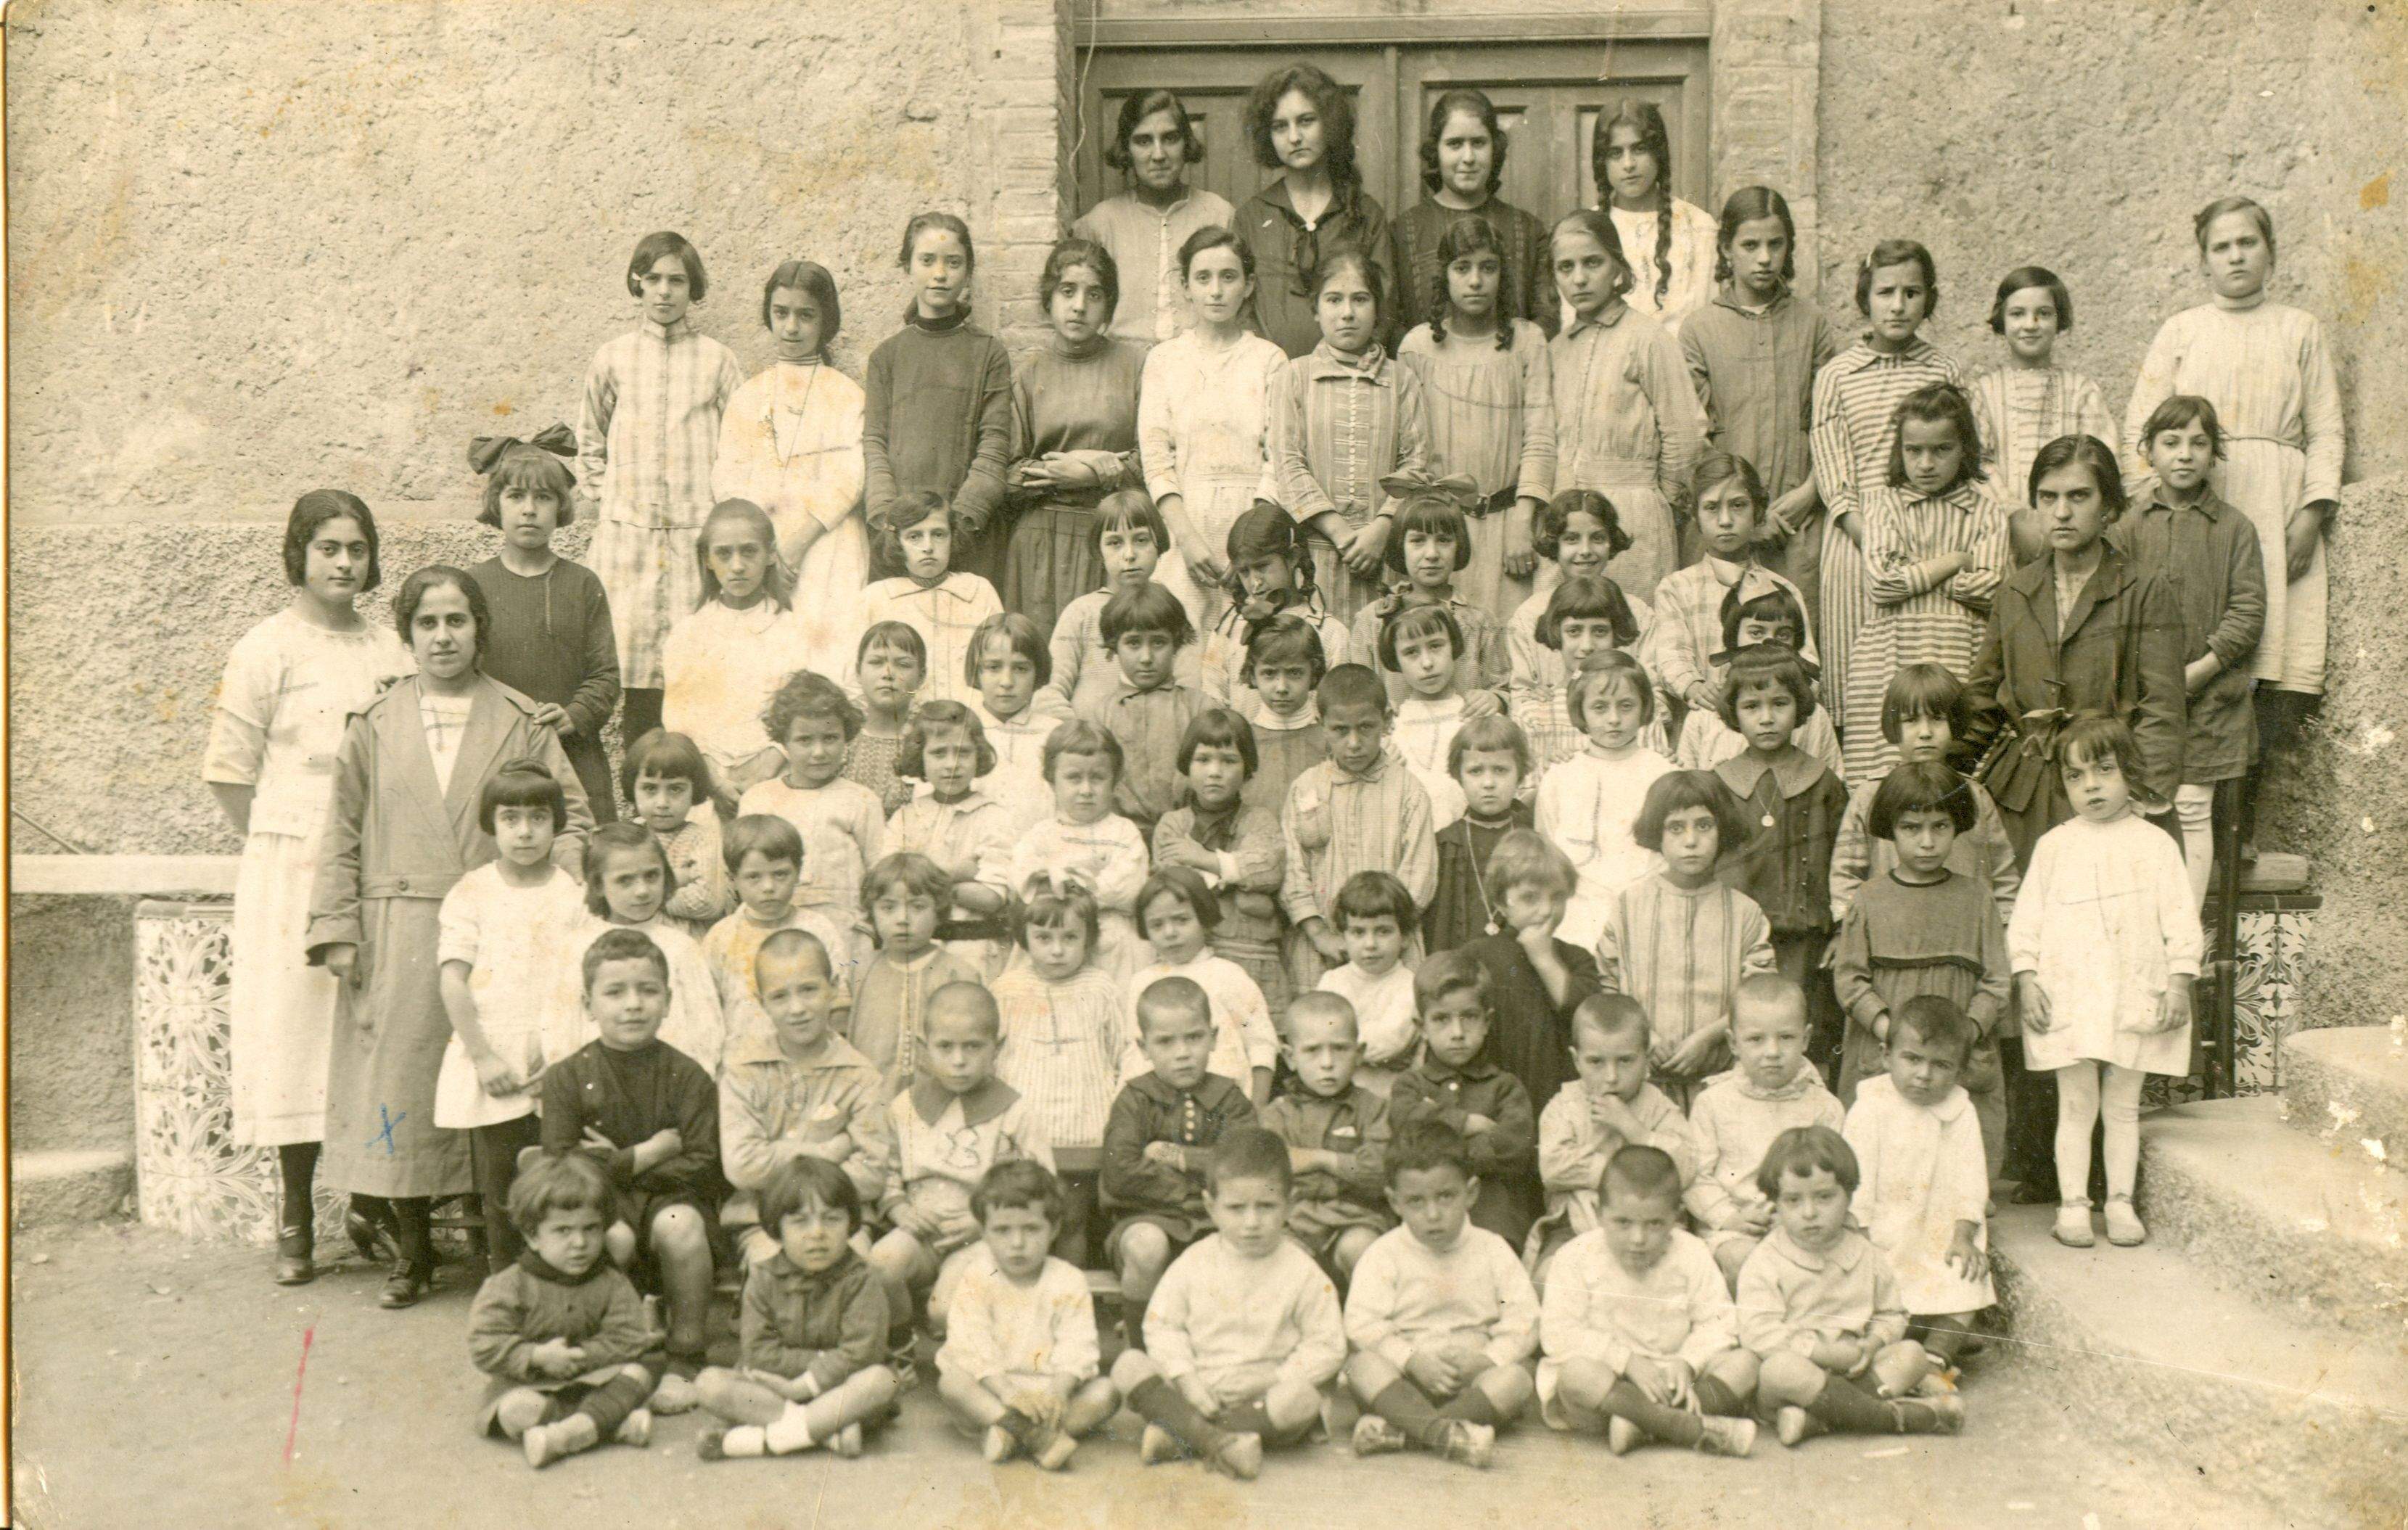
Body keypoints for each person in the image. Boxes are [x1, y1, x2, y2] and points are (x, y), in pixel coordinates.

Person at [305, 564, 593, 1308]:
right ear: (406, 634)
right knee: (404, 1085)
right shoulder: (375, 721)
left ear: (479, 631)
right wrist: (338, 926)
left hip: (506, 927)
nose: (443, 637)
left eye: (457, 621)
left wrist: (565, 902)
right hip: (399, 925)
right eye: (427, 623)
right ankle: (413, 1250)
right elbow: (340, 829)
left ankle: (503, 1245)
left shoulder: (520, 717)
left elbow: (572, 820)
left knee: (502, 1082)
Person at [205, 490, 414, 1285]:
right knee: (295, 1035)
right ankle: (295, 1215)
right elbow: (229, 774)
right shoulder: (266, 648)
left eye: (357, 548)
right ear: (300, 554)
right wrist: (286, 844)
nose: (344, 563)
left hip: (374, 863)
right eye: (328, 548)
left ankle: (372, 1202)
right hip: (292, 866)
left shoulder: (391, 648)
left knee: (369, 1032)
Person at [2125, 197, 2343, 852]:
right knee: (2204, 649)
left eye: (2248, 242)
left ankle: (2241, 819)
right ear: (2203, 261)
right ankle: (2189, 813)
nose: (2236, 256)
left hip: (2279, 502)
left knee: (2279, 655)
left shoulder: (2299, 328)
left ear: (2269, 251)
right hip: (2204, 501)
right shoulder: (2182, 330)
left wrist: (2311, 512)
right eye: (2221, 247)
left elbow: (2326, 429)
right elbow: (2142, 429)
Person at [2008, 717, 2201, 1248]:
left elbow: (2180, 920)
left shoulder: (2155, 845)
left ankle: (2119, 1201)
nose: (2090, 786)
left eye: (2104, 770)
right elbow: (2026, 921)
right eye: (2075, 776)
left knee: (2121, 1106)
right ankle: (2073, 1204)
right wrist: (2027, 979)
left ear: (2128, 772)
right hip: (2071, 992)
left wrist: (2179, 983)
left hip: (2131, 990)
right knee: (2075, 1104)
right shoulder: (2054, 846)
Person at [1966, 433, 2186, 863]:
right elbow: (1983, 699)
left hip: (2112, 794)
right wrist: (1940, 774)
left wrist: (2140, 801)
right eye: (2048, 497)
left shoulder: (2145, 590)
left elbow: (2163, 711)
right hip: (2026, 800)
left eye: (2079, 496)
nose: (2062, 512)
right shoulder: (2015, 592)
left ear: (2109, 508)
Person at [577, 230, 745, 744]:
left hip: (694, 538)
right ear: (638, 283)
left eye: (678, 280)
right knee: (633, 675)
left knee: (693, 669)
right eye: (653, 279)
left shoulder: (718, 360)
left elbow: (740, 446)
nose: (665, 291)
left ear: (694, 288)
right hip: (628, 541)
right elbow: (589, 441)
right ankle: (638, 775)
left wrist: (719, 518)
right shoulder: (613, 357)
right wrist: (615, 504)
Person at [538, 926, 723, 1391]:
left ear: (668, 1000)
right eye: (615, 992)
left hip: (672, 1199)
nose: (634, 1004)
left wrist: (608, 1162)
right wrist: (647, 1153)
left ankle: (686, 1351)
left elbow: (705, 1162)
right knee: (610, 1236)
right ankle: (594, 1350)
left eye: (648, 991)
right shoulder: (566, 1077)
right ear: (588, 1004)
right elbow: (561, 1164)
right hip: (596, 1203)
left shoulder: (690, 1076)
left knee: (681, 1225)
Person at [1108, 1127, 1348, 1480]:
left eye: (1266, 1207)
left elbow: (1327, 1345)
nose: (1252, 1222)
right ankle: (1218, 1440)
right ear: (1211, 1207)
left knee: (1302, 1399)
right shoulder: (1194, 1263)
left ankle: (1186, 1437)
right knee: (1129, 1365)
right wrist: (1189, 1381)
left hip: (1265, 1397)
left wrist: (1274, 1378)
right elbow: (1163, 1327)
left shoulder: (1303, 1271)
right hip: (1199, 1392)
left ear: (1290, 1204)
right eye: (1236, 1208)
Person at [435, 762, 588, 1273]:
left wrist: (562, 1056)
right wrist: (483, 1057)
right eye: (511, 818)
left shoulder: (572, 893)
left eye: (538, 818)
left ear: (556, 822)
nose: (525, 832)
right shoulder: (472, 891)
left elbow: (580, 985)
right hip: (496, 1059)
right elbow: (452, 980)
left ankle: (561, 1288)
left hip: (558, 1059)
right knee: (504, 1188)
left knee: (561, 1182)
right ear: (491, 824)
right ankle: (508, 1289)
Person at [2117, 395, 2267, 912]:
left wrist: (2201, 670)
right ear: (2149, 452)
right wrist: (2148, 679)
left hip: (2211, 699)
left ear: (2213, 453)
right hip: (2145, 699)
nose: (2185, 454)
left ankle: (2185, 928)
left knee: (2193, 807)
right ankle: (2143, 924)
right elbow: (2113, 605)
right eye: (2171, 442)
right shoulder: (2128, 527)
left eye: (2198, 443)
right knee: (2141, 807)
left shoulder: (2234, 528)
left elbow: (2248, 612)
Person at [1812, 239, 1963, 738]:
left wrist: (1926, 546)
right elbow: (1833, 473)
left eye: (1911, 293)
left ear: (1928, 299)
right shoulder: (1836, 375)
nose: (1898, 306)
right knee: (1862, 675)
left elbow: (1963, 457)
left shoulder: (1943, 370)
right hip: (1857, 541)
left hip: (1930, 537)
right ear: (1865, 297)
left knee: (1925, 675)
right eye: (1885, 293)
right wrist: (1873, 539)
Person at [1830, 764, 2012, 1171]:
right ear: (1890, 830)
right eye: (1911, 828)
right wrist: (1890, 1033)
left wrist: (1965, 1034)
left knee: (1958, 1156)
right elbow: (1850, 980)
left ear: (1957, 827)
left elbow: (1997, 981)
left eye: (1940, 827)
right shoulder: (1868, 898)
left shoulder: (1976, 898)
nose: (1927, 842)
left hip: (1959, 1050)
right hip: (1886, 1047)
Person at [1739, 1126, 1965, 1445]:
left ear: (1848, 1195)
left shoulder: (1866, 1254)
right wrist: (1821, 1353)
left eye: (1824, 1197)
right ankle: (1898, 1418)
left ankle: (1817, 1421)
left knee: (1912, 1355)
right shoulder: (1766, 1260)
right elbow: (1758, 1332)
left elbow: (1891, 1313)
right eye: (1793, 1200)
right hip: (1798, 1375)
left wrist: (1873, 1343)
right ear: (1776, 1202)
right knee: (1779, 1370)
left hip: (1856, 1371)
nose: (1809, 1212)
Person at [869, 982, 1054, 1365]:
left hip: (980, 1238)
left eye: (973, 1047)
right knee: (882, 1263)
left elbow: (1041, 1186)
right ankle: (901, 1345)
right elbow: (887, 1172)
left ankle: (964, 1361)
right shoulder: (905, 1107)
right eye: (945, 1047)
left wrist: (986, 1220)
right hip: (921, 1233)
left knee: (943, 1309)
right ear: (925, 1048)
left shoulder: (1016, 1112)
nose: (958, 1060)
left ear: (997, 1048)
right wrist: (899, 1209)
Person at [1680, 189, 1840, 630]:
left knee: (1794, 639)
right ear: (1726, 249)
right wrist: (1743, 515)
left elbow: (1833, 424)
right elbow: (1694, 437)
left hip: (1798, 522)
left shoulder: (1811, 324)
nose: (1765, 258)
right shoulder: (1699, 330)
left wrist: (1810, 492)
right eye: (1750, 245)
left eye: (1776, 244)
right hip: (1725, 524)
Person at [1841, 384, 2011, 789]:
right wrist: (1952, 562)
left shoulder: (1986, 512)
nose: (1926, 463)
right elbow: (1883, 584)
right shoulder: (1884, 506)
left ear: (1965, 449)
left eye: (1942, 450)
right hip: (1891, 651)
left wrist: (1913, 574)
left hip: (1959, 648)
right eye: (1913, 450)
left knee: (1954, 756)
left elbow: (1990, 589)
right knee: (1888, 762)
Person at [1341, 1119, 1540, 1468]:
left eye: (1446, 1197)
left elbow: (1523, 1318)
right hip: (1404, 1383)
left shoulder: (1492, 1250)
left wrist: (1489, 1359)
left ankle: (1402, 1433)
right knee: (1362, 1366)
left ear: (1471, 1193)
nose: (1433, 1215)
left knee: (1518, 1379)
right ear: (1395, 1202)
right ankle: (1447, 1435)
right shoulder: (1384, 1253)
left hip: (1473, 1382)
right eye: (1416, 1201)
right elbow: (1363, 1323)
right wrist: (1411, 1359)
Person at [1536, 1145, 1757, 1457]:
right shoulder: (1575, 1256)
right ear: (1598, 1212)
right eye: (1623, 1222)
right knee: (1576, 1374)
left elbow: (1718, 1322)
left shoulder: (1692, 1253)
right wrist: (1625, 1361)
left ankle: (1642, 1425)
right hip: (1610, 1388)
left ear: (1676, 1217)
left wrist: (1688, 1362)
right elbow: (1559, 1334)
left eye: (1654, 1224)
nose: (1638, 1239)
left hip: (1674, 1381)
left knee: (1746, 1363)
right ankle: (1686, 1428)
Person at [711, 258, 869, 673]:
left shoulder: (847, 394)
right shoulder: (748, 396)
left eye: (806, 315)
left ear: (825, 320)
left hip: (828, 544)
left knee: (828, 659)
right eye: (781, 313)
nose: (792, 327)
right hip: (761, 550)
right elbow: (728, 478)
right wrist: (762, 546)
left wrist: (797, 543)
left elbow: (849, 477)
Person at [1396, 213, 1557, 613]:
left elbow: (1540, 437)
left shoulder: (1528, 342)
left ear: (1503, 275)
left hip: (1508, 527)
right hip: (1439, 533)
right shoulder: (1417, 348)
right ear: (1444, 276)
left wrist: (1523, 523)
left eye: (1488, 268)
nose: (1475, 281)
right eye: (1462, 268)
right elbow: (1408, 450)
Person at [693, 1156, 899, 1460]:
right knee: (709, 1384)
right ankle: (824, 1433)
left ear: (851, 1224)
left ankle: (767, 1439)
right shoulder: (762, 1277)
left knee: (881, 1380)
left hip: (840, 1389)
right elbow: (759, 1353)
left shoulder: (862, 1278)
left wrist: (804, 1387)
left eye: (832, 1219)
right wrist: (818, 1365)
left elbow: (862, 1353)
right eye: (800, 1221)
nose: (817, 1233)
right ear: (777, 1228)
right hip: (774, 1388)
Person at [1548, 209, 1706, 606]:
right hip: (1568, 520)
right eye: (1566, 267)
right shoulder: (1556, 350)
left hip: (1634, 517)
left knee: (1632, 621)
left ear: (1618, 267)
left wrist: (1660, 504)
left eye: (1593, 263)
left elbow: (1684, 435)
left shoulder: (1648, 338)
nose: (1579, 278)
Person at [1139, 234, 1293, 640]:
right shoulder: (1164, 360)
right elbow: (1156, 459)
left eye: (1229, 277)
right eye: (1203, 278)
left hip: (1252, 527)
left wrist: (1251, 547)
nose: (1216, 291)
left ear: (1249, 284)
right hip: (1187, 526)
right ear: (1185, 286)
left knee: (1252, 644)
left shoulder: (1269, 359)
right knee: (1186, 647)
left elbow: (1278, 457)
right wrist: (1188, 541)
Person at [1269, 245, 1434, 622]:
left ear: (1377, 308)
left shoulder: (1402, 379)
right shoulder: (1294, 377)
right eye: (1334, 300)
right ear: (1315, 308)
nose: (1347, 312)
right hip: (1317, 554)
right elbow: (1288, 465)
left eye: (1360, 299)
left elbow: (1417, 463)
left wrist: (1380, 530)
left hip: (1385, 552)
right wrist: (1342, 535)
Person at [467, 429, 622, 822]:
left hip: (572, 755)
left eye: (544, 497)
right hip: (496, 755)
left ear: (560, 507)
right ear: (496, 504)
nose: (529, 510)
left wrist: (576, 714)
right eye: (516, 496)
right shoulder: (472, 586)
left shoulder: (582, 584)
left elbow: (605, 674)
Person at [1711, 646, 1850, 1080]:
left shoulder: (1824, 782)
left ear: (1800, 706)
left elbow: (1845, 862)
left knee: (1802, 1037)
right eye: (1752, 707)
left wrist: (1841, 929)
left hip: (1805, 941)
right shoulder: (1718, 784)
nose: (1767, 718)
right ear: (1735, 712)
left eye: (1780, 704)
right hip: (1736, 939)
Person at [1596, 770, 1776, 1106]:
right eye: (1676, 828)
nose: (1691, 841)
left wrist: (1708, 1038)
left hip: (1722, 1088)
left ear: (1723, 830)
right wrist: (1644, 1035)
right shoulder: (1629, 906)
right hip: (1643, 1088)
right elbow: (1607, 987)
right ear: (1657, 833)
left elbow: (1758, 998)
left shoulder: (1745, 913)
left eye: (1704, 826)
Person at [467, 1153, 657, 1469]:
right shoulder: (508, 1285)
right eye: (563, 1231)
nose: (580, 1243)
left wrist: (580, 1357)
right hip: (530, 1384)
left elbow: (629, 1337)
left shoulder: (612, 1282)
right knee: (514, 1410)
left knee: (638, 1374)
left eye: (591, 1229)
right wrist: (536, 1357)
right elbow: (485, 1344)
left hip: (594, 1378)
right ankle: (606, 1426)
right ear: (533, 1236)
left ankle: (563, 1436)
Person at [1100, 975, 1262, 1346]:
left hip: (1213, 1219)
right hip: (1147, 1217)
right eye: (1166, 1042)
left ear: (1214, 1037)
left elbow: (1245, 1164)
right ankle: (1141, 1347)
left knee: (1238, 1245)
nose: (1183, 1052)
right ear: (1143, 1047)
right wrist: (1195, 1187)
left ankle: (1224, 1349)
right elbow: (1121, 1170)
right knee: (1147, 1245)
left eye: (1194, 1037)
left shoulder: (1230, 1100)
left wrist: (1179, 1157)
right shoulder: (1135, 1100)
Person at [716, 929, 890, 1269]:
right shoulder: (743, 1071)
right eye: (780, 996)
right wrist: (828, 1153)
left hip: (843, 1221)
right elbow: (742, 1166)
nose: (797, 1009)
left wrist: (782, 1164)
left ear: (833, 988)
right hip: (764, 1221)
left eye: (809, 990)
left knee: (855, 1265)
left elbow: (871, 1174)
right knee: (771, 1264)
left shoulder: (861, 1076)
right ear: (761, 1001)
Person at [1005, 238, 1151, 639]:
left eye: (1094, 294)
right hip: (1041, 541)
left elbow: (1153, 459)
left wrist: (1094, 473)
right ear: (1049, 299)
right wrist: (1060, 474)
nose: (1079, 306)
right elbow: (1007, 472)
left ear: (1109, 304)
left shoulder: (1136, 366)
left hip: (1113, 535)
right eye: (1067, 291)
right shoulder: (1028, 374)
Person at [934, 1161, 1121, 1470]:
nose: (1017, 1244)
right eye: (1002, 1230)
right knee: (953, 1382)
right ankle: (1033, 1435)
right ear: (984, 1232)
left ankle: (1008, 1433)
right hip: (993, 1389)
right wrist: (1008, 1394)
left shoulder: (1069, 1279)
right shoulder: (978, 1275)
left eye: (1031, 1229)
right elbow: (972, 1346)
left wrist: (1059, 1391)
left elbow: (1078, 1344)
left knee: (1107, 1393)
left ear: (1054, 1229)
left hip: (1049, 1392)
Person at [1843, 997, 1997, 1371]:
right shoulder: (1872, 1105)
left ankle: (1935, 1358)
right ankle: (1902, 1347)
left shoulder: (1960, 1111)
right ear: (1886, 1056)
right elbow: (1856, 1178)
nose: (1924, 1074)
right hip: (1882, 1231)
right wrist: (1860, 1236)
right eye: (1912, 1059)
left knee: (1966, 1278)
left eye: (1940, 1065)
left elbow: (1971, 1181)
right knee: (1871, 1290)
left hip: (1939, 1230)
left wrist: (1963, 1236)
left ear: (1960, 1072)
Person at [862, 211, 1014, 584]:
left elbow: (994, 445)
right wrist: (888, 521)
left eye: (954, 262)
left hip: (966, 535)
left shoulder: (989, 353)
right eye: (927, 260)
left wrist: (959, 523)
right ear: (907, 266)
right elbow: (875, 443)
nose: (940, 274)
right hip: (899, 537)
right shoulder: (886, 357)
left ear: (969, 271)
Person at [1646, 453, 1820, 757]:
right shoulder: (1677, 588)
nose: (1725, 520)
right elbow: (1672, 656)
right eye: (1712, 508)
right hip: (1708, 725)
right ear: (1695, 514)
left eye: (1738, 505)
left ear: (1757, 511)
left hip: (1774, 727)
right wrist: (1694, 686)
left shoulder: (1782, 589)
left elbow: (1808, 664)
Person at [1279, 664, 1439, 992]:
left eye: (1366, 727)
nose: (1354, 742)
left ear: (1387, 720)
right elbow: (1292, 867)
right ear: (1321, 724)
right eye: (1340, 730)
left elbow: (1419, 876)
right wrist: (1319, 934)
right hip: (1321, 953)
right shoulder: (1305, 788)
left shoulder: (1408, 792)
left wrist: (1380, 937)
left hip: (1391, 953)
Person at [1827, 665, 2021, 931]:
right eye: (1911, 720)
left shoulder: (1975, 795)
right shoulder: (1870, 796)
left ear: (1955, 723)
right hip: (1892, 932)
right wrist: (1853, 933)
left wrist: (2005, 929)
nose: (1925, 732)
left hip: (1964, 932)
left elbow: (2002, 874)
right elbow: (1847, 874)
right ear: (1893, 727)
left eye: (1937, 719)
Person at [990, 876, 1125, 1254]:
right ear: (1025, 938)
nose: (1057, 950)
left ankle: (1070, 1287)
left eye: (1070, 938)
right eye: (1044, 938)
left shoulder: (1101, 988)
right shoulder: (1007, 989)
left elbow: (1121, 1054)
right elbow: (992, 1059)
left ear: (1089, 939)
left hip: (1084, 1128)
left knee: (1071, 1220)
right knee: (1026, 1220)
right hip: (1025, 1132)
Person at [1685, 974, 1845, 1288]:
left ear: (1805, 1039)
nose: (1772, 1051)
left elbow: (1839, 1177)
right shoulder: (1713, 1102)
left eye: (1786, 1037)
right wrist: (1728, 1217)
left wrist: (1798, 1216)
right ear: (1734, 1043)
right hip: (1734, 1228)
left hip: (1806, 1224)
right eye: (1756, 1039)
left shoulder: (1824, 1106)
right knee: (1744, 1261)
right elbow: (1694, 1175)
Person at [1528, 995, 1697, 1280]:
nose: (1611, 1076)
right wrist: (1624, 1174)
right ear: (1576, 1060)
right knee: (1548, 1276)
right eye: (1596, 1062)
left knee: (1677, 1275)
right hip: (1576, 1224)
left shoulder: (1659, 1107)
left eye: (1625, 1061)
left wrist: (1633, 1129)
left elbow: (1685, 1169)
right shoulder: (1564, 1106)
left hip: (1649, 1228)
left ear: (1646, 1057)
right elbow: (1552, 1167)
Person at [543, 823, 727, 1078]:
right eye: (625, 880)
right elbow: (559, 1031)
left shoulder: (681, 947)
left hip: (669, 1088)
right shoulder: (576, 948)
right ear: (598, 885)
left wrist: (691, 1087)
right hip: (598, 1087)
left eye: (651, 876)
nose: (642, 891)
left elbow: (707, 1030)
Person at [1964, 266, 2121, 563]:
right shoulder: (1982, 392)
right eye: (2018, 314)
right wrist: (2013, 513)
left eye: (2044, 314)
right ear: (2001, 320)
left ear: (2059, 319)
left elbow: (2101, 459)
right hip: (2001, 533)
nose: (2030, 324)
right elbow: (1978, 463)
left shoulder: (2081, 390)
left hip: (2071, 527)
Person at [659, 498, 817, 794]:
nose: (737, 566)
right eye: (724, 553)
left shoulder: (795, 630)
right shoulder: (688, 634)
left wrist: (765, 772)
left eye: (749, 551)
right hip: (705, 779)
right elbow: (679, 718)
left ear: (771, 554)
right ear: (707, 559)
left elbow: (801, 709)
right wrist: (715, 781)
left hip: (777, 778)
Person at [1237, 62, 1392, 358]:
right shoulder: (1252, 218)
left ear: (1330, 123)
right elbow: (1242, 311)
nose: (1294, 137)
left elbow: (1384, 308)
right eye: (1280, 127)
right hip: (1270, 375)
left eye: (1306, 121)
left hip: (1351, 375)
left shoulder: (1366, 214)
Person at [739, 670, 887, 975]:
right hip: (775, 930)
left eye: (830, 738)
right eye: (805, 740)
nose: (819, 752)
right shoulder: (759, 799)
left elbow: (879, 874)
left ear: (846, 737)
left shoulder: (861, 800)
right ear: (784, 741)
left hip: (846, 934)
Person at [1388, 951, 1539, 1246]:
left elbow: (1515, 1148)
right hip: (1427, 1214)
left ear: (1487, 1021)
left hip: (1491, 1215)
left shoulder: (1505, 1087)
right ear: (1422, 1028)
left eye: (1469, 1017)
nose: (1457, 1033)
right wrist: (1467, 1123)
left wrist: (1438, 1141)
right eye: (1441, 1019)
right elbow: (1404, 1125)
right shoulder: (1410, 1086)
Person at [1154, 707, 1291, 1027]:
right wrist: (1235, 876)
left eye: (1229, 761)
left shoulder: (1260, 820)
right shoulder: (1173, 825)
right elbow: (1175, 885)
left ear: (1248, 769)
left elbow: (1268, 868)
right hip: (1193, 961)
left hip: (1254, 958)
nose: (1215, 772)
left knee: (1258, 1038)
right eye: (1203, 760)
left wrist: (1203, 859)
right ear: (1187, 765)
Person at [1389, 89, 1555, 343]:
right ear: (1436, 151)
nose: (1468, 158)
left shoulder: (1529, 230)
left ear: (1494, 149)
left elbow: (1547, 317)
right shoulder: (1402, 231)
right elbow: (1391, 323)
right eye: (1455, 144)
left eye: (1478, 143)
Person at [1073, 90, 1238, 345]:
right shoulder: (1099, 223)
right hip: (1123, 362)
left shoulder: (1220, 214)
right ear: (1126, 149)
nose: (1159, 155)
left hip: (1203, 361)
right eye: (1143, 141)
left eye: (1170, 139)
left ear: (1186, 144)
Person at [1460, 829, 1601, 1120]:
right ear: (1501, 903)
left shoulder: (1576, 959)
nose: (1547, 910)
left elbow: (1587, 1020)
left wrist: (1545, 959)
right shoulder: (1476, 957)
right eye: (1530, 898)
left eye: (1557, 897)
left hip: (1561, 1104)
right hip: (1493, 1102)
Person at [1538, 653, 1674, 951]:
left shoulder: (1663, 773)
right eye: (1599, 707)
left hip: (1649, 914)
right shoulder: (1561, 775)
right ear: (1581, 711)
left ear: (1644, 708)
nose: (1614, 719)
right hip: (1578, 921)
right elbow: (1547, 852)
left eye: (1626, 706)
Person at [1002, 721, 1154, 986]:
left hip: (1109, 940)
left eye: (1097, 778)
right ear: (1052, 781)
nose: (1086, 790)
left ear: (1114, 781)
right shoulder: (1041, 833)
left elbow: (1129, 885)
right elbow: (1021, 873)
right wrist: (1050, 882)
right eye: (1074, 778)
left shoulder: (1123, 832)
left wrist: (1069, 886)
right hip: (1054, 934)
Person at [698, 815, 858, 1058]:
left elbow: (839, 1004)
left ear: (798, 872)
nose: (769, 887)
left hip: (809, 1059)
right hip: (743, 1061)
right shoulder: (721, 937)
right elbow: (708, 1012)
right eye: (754, 877)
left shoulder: (819, 929)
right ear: (733, 879)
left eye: (780, 874)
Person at [1261, 992, 1395, 1279]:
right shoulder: (1277, 1115)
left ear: (1359, 1053)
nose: (1327, 1063)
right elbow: (1270, 1176)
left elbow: (1380, 1172)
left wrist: (1319, 1160)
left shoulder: (1373, 1109)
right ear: (1290, 1057)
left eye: (1340, 1049)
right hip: (1293, 1223)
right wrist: (1348, 1166)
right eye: (1312, 1050)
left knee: (1361, 1248)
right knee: (1280, 1260)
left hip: (1357, 1218)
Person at [1129, 866, 1281, 1106]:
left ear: (1205, 919)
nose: (1170, 933)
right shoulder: (1142, 982)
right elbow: (1134, 1054)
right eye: (1157, 925)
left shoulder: (1227, 976)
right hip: (1160, 1109)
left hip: (1223, 1106)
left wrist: (1257, 1107)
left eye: (1182, 920)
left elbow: (1260, 1043)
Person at [1039, 493, 1199, 719]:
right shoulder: (1081, 613)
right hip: (1086, 737)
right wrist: (1080, 734)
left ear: (1160, 544)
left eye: (1141, 540)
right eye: (1115, 543)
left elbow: (1189, 698)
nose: (1129, 555)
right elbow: (1048, 694)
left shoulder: (1175, 612)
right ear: (1099, 550)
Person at [1349, 484, 1512, 706]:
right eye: (1418, 541)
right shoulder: (1372, 620)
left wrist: (1496, 700)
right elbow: (1357, 694)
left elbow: (1503, 686)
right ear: (1400, 546)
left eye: (1444, 540)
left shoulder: (1481, 623)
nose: (1432, 554)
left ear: (1459, 546)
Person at [1198, 502, 1352, 731]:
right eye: (1244, 572)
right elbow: (1214, 702)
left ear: (1293, 557)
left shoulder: (1330, 633)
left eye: (1262, 566)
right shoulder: (1228, 631)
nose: (1254, 582)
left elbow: (1342, 710)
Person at [886, 702, 1015, 970]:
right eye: (938, 753)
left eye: (963, 752)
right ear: (920, 757)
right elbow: (890, 885)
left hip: (975, 950)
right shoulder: (905, 818)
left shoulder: (994, 817)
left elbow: (991, 897)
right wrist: (958, 874)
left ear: (978, 755)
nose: (951, 764)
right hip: (917, 950)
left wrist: (922, 881)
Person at [847, 852, 986, 1095]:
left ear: (938, 910)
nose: (903, 919)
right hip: (869, 1101)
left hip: (939, 1103)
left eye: (918, 907)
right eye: (888, 908)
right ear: (872, 912)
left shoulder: (959, 974)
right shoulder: (861, 970)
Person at [1077, 581, 1205, 839]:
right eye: (1134, 643)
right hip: (1118, 840)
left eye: (1158, 643)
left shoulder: (1199, 708)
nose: (1146, 657)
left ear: (1176, 644)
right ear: (1114, 646)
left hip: (1190, 837)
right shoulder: (1099, 716)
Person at [854, 490, 1000, 715]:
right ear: (897, 542)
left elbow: (999, 663)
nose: (928, 546)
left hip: (970, 719)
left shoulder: (979, 591)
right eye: (914, 537)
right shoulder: (876, 597)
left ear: (953, 537)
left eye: (939, 534)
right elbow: (854, 677)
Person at [1587, 101, 1719, 337]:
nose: (1629, 164)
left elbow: (1708, 321)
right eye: (1616, 153)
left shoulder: (1699, 227)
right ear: (1602, 162)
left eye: (1639, 149)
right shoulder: (1587, 230)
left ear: (1658, 153)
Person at [1426, 715, 1537, 953]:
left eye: (1500, 770)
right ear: (1459, 776)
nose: (1488, 783)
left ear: (1520, 774)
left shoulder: (1533, 839)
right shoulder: (1446, 843)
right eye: (1476, 771)